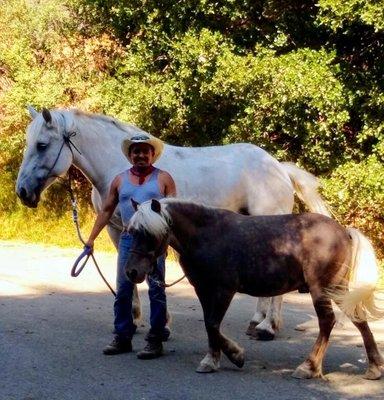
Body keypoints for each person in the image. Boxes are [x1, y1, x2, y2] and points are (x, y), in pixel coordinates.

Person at [85, 134, 176, 359]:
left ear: (152, 154)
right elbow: (106, 210)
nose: (141, 155)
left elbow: (174, 211)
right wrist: (91, 239)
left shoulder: (163, 178)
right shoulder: (119, 180)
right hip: (129, 239)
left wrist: (169, 242)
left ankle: (155, 339)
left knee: (156, 289)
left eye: (145, 151)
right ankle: (123, 336)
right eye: (136, 151)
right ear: (130, 155)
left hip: (153, 241)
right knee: (124, 289)